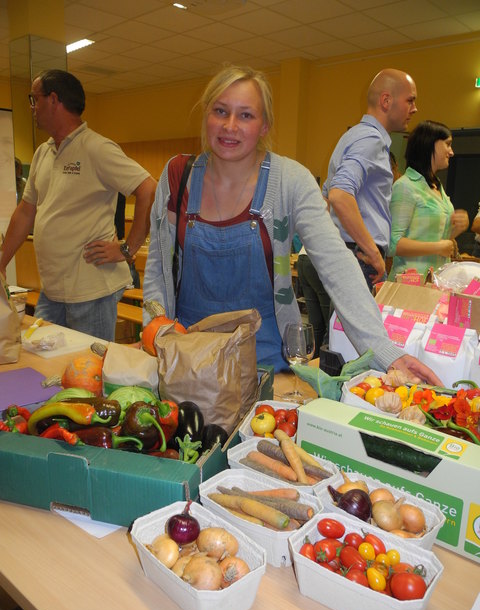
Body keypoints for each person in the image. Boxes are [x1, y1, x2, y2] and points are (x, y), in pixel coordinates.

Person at [143, 64, 441, 385]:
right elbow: (158, 267)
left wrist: (385, 351)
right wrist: (155, 328)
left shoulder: (290, 180)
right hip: (187, 360)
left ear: (264, 125)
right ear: (206, 115)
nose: (230, 126)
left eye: (246, 115)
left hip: (264, 367)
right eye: (220, 111)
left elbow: (337, 265)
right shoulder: (177, 176)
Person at [0, 70, 156, 342]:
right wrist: (2, 261)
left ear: (53, 99)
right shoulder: (43, 152)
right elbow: (25, 211)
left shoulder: (96, 148)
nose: (32, 108)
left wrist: (127, 249)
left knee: (87, 363)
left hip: (90, 292)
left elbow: (149, 188)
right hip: (53, 291)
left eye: (34, 99)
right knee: (44, 360)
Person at [322, 69, 418, 289]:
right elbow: (339, 195)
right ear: (386, 101)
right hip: (362, 258)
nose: (414, 108)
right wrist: (373, 252)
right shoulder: (371, 140)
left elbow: (325, 199)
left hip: (350, 254)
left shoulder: (351, 137)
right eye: (410, 100)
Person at [388, 120, 469, 280]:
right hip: (410, 284)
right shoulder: (405, 186)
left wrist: (456, 229)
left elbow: (433, 238)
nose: (452, 152)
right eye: (448, 144)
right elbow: (392, 244)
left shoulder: (437, 186)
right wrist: (437, 247)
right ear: (431, 144)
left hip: (436, 281)